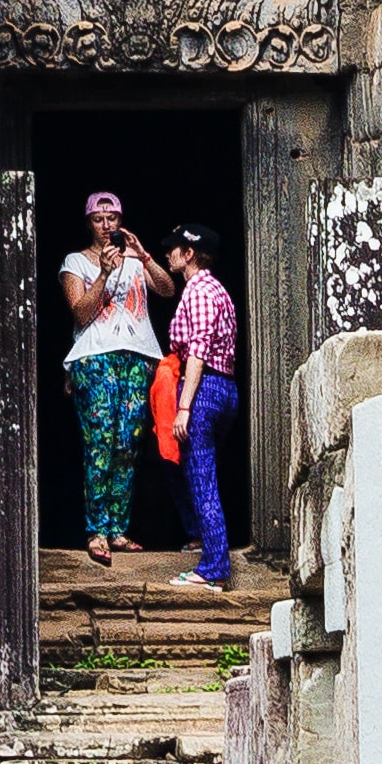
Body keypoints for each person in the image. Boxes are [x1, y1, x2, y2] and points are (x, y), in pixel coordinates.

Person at [58, 192, 174, 562]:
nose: (107, 226)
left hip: (139, 357)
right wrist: (106, 273)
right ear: (88, 222)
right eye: (99, 219)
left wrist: (143, 256)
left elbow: (168, 289)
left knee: (128, 443)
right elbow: (80, 312)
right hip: (95, 358)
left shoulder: (135, 260)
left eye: (113, 218)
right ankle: (96, 530)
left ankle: (118, 529)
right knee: (101, 441)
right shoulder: (76, 261)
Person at [161, 224, 239, 590]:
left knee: (202, 478)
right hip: (222, 388)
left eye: (174, 248)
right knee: (195, 472)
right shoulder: (214, 290)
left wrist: (184, 407)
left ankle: (213, 568)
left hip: (205, 388)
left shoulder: (200, 291)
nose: (168, 254)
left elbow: (199, 350)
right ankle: (204, 543)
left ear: (189, 253)